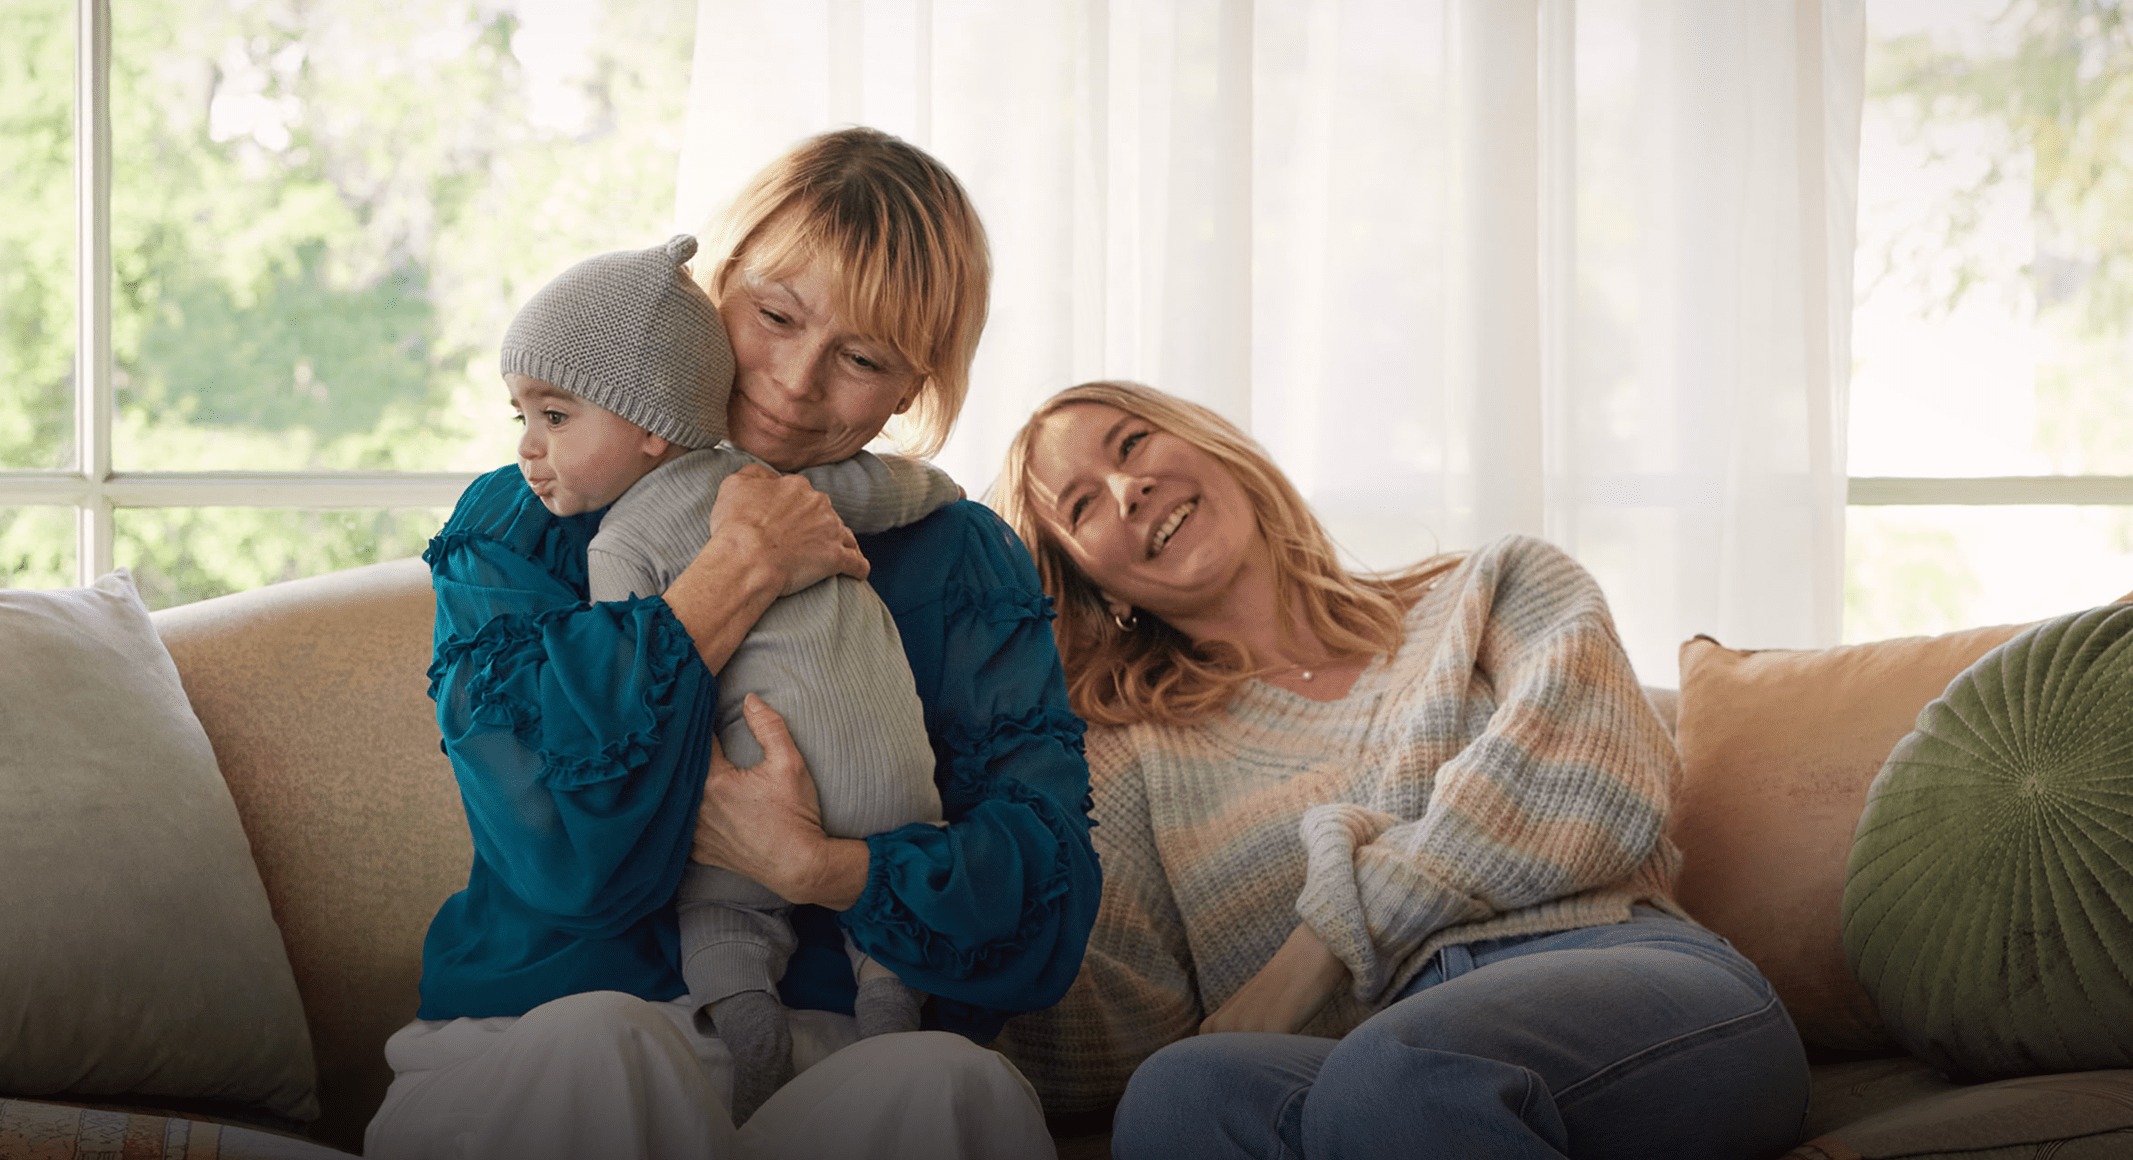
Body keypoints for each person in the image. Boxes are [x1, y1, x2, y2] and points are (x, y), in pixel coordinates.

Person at [365, 128, 1100, 1160]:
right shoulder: (529, 509)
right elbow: (557, 855)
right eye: (775, 315)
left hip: (840, 1061)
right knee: (607, 1047)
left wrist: (821, 864)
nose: (796, 381)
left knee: (956, 1086)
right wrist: (734, 570)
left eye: (860, 358)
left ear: (909, 388)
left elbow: (1047, 899)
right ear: (714, 288)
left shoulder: (957, 555)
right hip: (544, 1035)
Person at [988, 381, 1810, 1160]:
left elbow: (1596, 784)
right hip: (1364, 1074)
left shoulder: (1496, 589)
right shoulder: (1130, 760)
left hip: (1627, 974)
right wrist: (909, 849)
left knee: (1396, 1072)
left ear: (1215, 446)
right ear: (1089, 581)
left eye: (1132, 443)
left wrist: (1327, 941)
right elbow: (1096, 1030)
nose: (1127, 486)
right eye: (1084, 504)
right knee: (1177, 1096)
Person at [494, 231, 963, 1122]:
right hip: (888, 784)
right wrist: (941, 490)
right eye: (520, 417)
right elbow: (884, 491)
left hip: (745, 789)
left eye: (555, 417)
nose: (529, 447)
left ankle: (754, 1037)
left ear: (648, 425)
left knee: (718, 909)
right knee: (896, 874)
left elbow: (629, 691)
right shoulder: (772, 484)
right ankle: (887, 1017)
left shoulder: (618, 547)